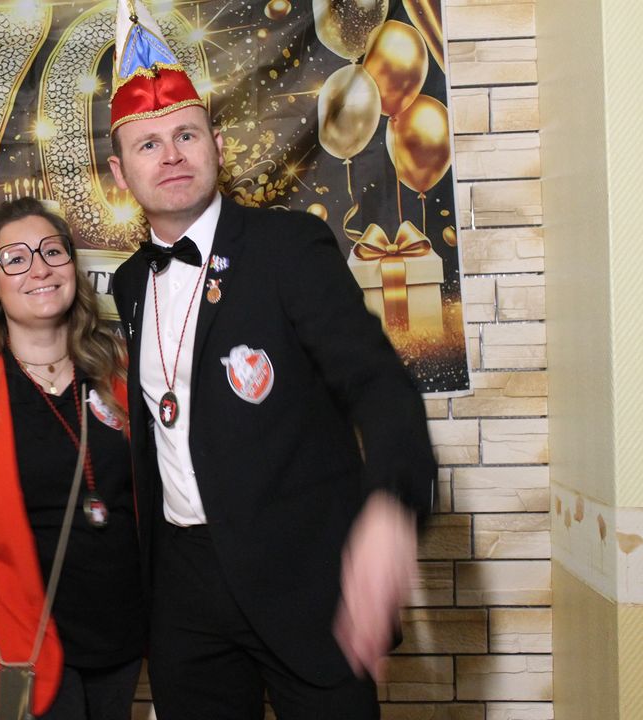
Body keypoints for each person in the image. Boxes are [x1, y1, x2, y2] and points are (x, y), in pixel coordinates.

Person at [105, 2, 437, 718]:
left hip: (305, 583)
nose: (171, 155)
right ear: (119, 171)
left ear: (217, 145)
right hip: (184, 595)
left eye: (186, 134)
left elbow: (379, 386)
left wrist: (392, 507)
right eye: (148, 144)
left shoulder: (289, 249)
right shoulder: (130, 284)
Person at [0, 198, 146, 719]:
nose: (39, 268)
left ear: (72, 266)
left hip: (120, 641)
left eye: (52, 251)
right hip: (25, 647)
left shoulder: (119, 373)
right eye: (15, 259)